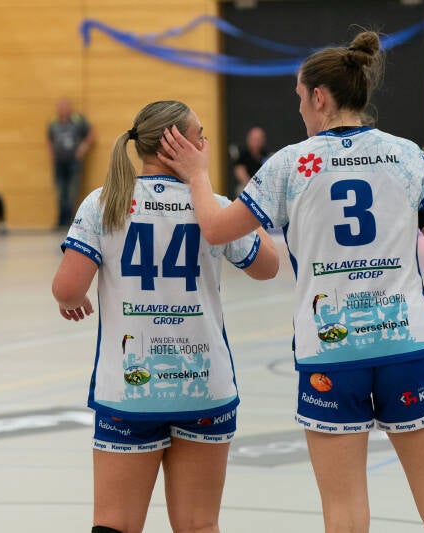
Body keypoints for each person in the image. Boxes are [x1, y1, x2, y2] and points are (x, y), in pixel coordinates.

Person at [160, 31, 424, 533]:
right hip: (407, 347)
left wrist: (198, 176)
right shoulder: (406, 155)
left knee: (343, 515)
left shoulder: (290, 164)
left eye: (300, 97)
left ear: (320, 97)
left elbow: (216, 230)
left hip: (330, 353)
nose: (300, 109)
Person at [51, 100, 279, 533]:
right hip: (203, 387)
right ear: (179, 145)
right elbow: (268, 266)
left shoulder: (104, 202)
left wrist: (70, 300)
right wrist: (206, 183)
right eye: (201, 135)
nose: (206, 143)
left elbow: (67, 288)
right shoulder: (212, 206)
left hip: (130, 390)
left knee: (114, 524)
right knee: (199, 524)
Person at [48, 98, 95, 229]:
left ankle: (69, 220)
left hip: (73, 162)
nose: (62, 110)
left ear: (70, 108)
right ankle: (61, 221)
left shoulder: (78, 120)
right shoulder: (53, 123)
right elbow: (49, 139)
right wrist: (52, 154)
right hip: (59, 162)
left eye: (65, 107)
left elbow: (91, 133)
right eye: (60, 107)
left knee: (71, 191)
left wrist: (82, 149)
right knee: (60, 191)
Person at [232, 126, 269, 195]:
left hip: (262, 187)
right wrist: (252, 187)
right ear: (249, 139)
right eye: (254, 139)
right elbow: (240, 172)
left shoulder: (266, 155)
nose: (257, 142)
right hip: (246, 186)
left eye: (259, 139)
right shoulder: (243, 155)